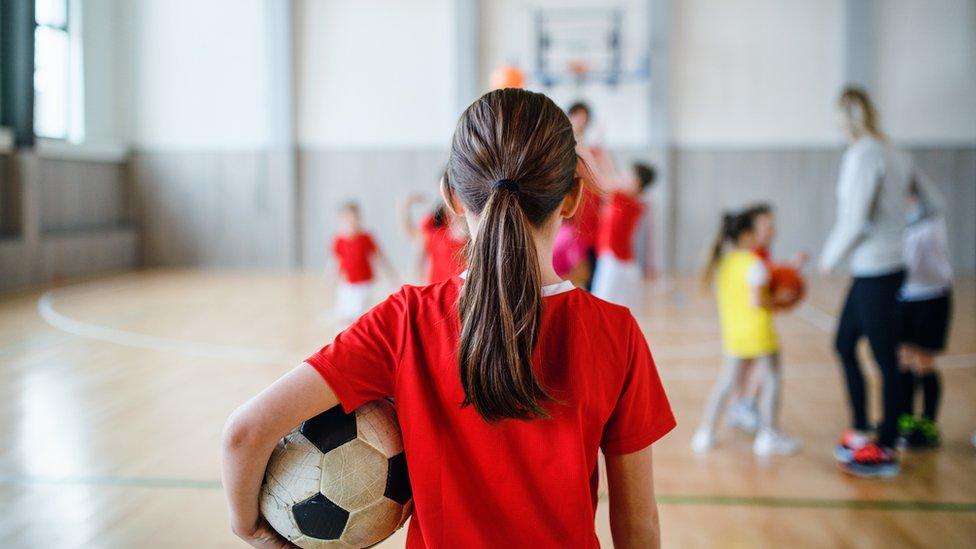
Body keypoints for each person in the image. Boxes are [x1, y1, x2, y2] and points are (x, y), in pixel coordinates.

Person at [222, 89, 676, 548]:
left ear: (453, 199)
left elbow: (244, 434)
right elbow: (638, 527)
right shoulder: (617, 332)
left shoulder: (404, 320)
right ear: (574, 196)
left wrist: (254, 530)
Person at [820, 86, 943, 478]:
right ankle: (861, 429)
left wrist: (827, 260)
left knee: (885, 357)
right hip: (881, 267)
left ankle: (887, 445)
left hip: (876, 269)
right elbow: (934, 204)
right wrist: (898, 228)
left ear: (844, 118)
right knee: (843, 343)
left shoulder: (864, 154)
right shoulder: (896, 152)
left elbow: (854, 220)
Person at [691, 207, 800, 456]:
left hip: (733, 333)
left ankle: (705, 432)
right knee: (772, 379)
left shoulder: (725, 263)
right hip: (759, 332)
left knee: (725, 383)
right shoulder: (755, 265)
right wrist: (781, 299)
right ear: (748, 235)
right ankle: (768, 435)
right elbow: (758, 301)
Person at [724, 204, 808, 434]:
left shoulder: (757, 254)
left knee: (747, 369)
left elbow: (769, 278)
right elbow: (761, 293)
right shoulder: (753, 256)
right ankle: (746, 409)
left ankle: (741, 407)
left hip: (742, 325)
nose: (773, 230)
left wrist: (792, 268)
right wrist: (779, 299)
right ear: (751, 230)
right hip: (752, 326)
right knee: (761, 372)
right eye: (767, 225)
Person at [896, 180, 951, 450]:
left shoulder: (930, 224)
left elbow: (912, 261)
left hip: (932, 295)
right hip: (904, 297)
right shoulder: (895, 225)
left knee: (924, 361)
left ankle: (928, 422)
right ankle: (905, 420)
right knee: (903, 359)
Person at [591, 163, 656, 312]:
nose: (621, 178)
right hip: (621, 263)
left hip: (616, 263)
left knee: (601, 307)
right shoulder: (628, 200)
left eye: (627, 176)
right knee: (609, 309)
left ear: (636, 183)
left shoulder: (625, 201)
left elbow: (603, 178)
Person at [398, 174, 468, 284]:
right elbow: (414, 236)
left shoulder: (470, 222)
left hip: (462, 288)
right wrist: (405, 207)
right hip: (437, 288)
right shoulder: (434, 222)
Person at [330, 201, 393, 323]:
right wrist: (332, 277)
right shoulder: (338, 240)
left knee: (357, 315)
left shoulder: (366, 237)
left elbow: (380, 257)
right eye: (348, 217)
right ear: (342, 219)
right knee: (342, 315)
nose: (352, 221)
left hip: (364, 284)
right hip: (346, 283)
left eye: (355, 217)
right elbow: (336, 261)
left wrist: (390, 276)